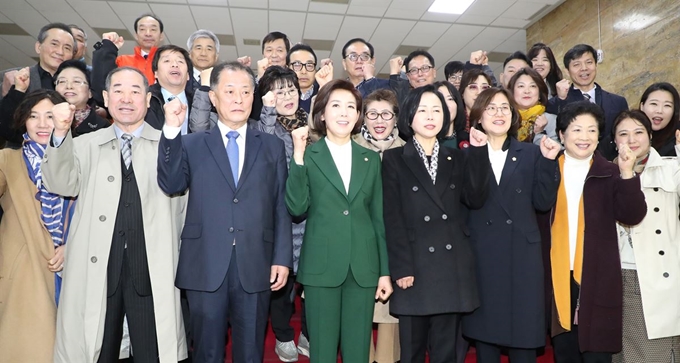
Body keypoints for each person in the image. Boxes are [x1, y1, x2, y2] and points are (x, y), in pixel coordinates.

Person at [44, 67, 187, 363]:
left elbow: (183, 209)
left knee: (154, 351)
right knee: (99, 350)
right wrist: (60, 133)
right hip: (98, 267)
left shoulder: (170, 146)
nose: (127, 98)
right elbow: (60, 183)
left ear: (148, 100)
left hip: (150, 266)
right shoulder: (83, 145)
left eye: (135, 91)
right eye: (118, 90)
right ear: (106, 98)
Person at [158, 61, 292, 363]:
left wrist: (282, 258)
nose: (238, 99)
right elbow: (170, 183)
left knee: (250, 351)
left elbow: (279, 204)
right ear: (214, 98)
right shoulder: (192, 143)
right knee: (206, 351)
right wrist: (171, 129)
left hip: (256, 262)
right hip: (204, 263)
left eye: (246, 92)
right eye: (229, 91)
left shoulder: (270, 146)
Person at [382, 84, 490, 363]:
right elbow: (392, 217)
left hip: (450, 267)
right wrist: (401, 267)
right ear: (409, 117)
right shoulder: (394, 158)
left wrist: (478, 153)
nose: (431, 116)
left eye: (437, 110)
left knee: (446, 353)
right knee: (412, 352)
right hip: (414, 267)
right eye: (422, 110)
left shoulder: (457, 157)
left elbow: (475, 199)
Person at [286, 79, 392, 362]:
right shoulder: (309, 155)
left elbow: (377, 218)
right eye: (336, 105)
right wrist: (297, 156)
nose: (344, 113)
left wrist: (384, 271)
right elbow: (297, 207)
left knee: (358, 350)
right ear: (321, 113)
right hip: (321, 265)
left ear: (358, 116)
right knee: (322, 350)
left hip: (363, 266)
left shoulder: (370, 159)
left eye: (350, 107)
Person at [542, 101, 646, 363]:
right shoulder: (548, 169)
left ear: (599, 136)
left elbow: (632, 215)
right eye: (577, 130)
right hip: (556, 278)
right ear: (562, 134)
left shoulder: (609, 172)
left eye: (592, 130)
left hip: (597, 278)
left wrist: (627, 173)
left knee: (597, 355)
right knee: (564, 353)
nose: (584, 137)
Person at [462, 88, 560, 363]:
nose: (499, 113)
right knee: (487, 342)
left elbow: (542, 202)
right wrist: (479, 153)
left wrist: (550, 163)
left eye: (505, 107)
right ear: (478, 117)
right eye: (491, 108)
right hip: (484, 258)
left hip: (522, 259)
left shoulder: (531, 153)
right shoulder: (467, 156)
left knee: (523, 338)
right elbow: (474, 198)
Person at [0, 90, 75, 362]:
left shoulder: (80, 159)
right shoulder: (7, 160)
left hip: (72, 270)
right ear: (24, 121)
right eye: (34, 117)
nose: (42, 124)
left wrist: (71, 245)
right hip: (25, 271)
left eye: (50, 116)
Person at [609, 110, 680, 363]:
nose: (632, 139)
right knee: (626, 354)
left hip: (664, 278)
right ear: (614, 141)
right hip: (624, 275)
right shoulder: (606, 174)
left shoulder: (672, 168)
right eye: (623, 134)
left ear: (650, 135)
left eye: (639, 132)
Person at [257, 65, 310, 362]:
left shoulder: (313, 123)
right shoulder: (266, 126)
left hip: (313, 217)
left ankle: (308, 333)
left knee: (313, 284)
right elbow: (263, 149)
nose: (287, 95)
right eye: (279, 90)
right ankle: (283, 335)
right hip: (281, 220)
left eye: (291, 89)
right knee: (283, 286)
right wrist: (266, 111)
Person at [351, 88, 404, 363]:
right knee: (358, 314)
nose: (379, 120)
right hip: (358, 241)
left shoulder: (407, 150)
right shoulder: (351, 147)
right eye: (372, 114)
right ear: (363, 118)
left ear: (396, 118)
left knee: (389, 317)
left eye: (386, 114)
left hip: (396, 243)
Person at [546, 44, 628, 160]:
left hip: (611, 165)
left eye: (589, 62)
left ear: (595, 65)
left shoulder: (618, 102)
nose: (584, 68)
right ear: (567, 71)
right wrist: (561, 99)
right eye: (576, 64)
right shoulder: (556, 102)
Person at [0, 59, 110, 147]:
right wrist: (19, 90)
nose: (69, 86)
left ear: (90, 92)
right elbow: (9, 131)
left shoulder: (103, 127)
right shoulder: (37, 115)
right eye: (62, 81)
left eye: (76, 81)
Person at [0, 22, 75, 103]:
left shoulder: (81, 84)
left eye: (67, 48)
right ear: (38, 47)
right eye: (54, 44)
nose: (60, 52)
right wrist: (5, 93)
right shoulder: (10, 77)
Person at [507, 67, 554, 144]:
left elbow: (557, 152)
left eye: (532, 86)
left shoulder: (551, 120)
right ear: (512, 92)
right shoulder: (506, 118)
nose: (527, 91)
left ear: (540, 93)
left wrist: (540, 133)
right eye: (521, 86)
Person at [638, 82, 680, 156]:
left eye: (667, 105)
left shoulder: (677, 136)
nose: (659, 111)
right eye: (654, 104)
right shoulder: (628, 131)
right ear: (642, 106)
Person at [458, 69, 492, 147]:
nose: (479, 92)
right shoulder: (454, 125)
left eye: (485, 88)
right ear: (462, 93)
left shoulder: (496, 123)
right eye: (473, 87)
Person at [287, 43, 319, 114]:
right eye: (297, 65)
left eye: (309, 65)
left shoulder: (322, 94)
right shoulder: (279, 96)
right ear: (287, 68)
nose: (304, 71)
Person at [434, 81, 466, 148]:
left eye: (450, 99)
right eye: (440, 99)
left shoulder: (470, 140)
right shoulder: (424, 143)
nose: (446, 105)